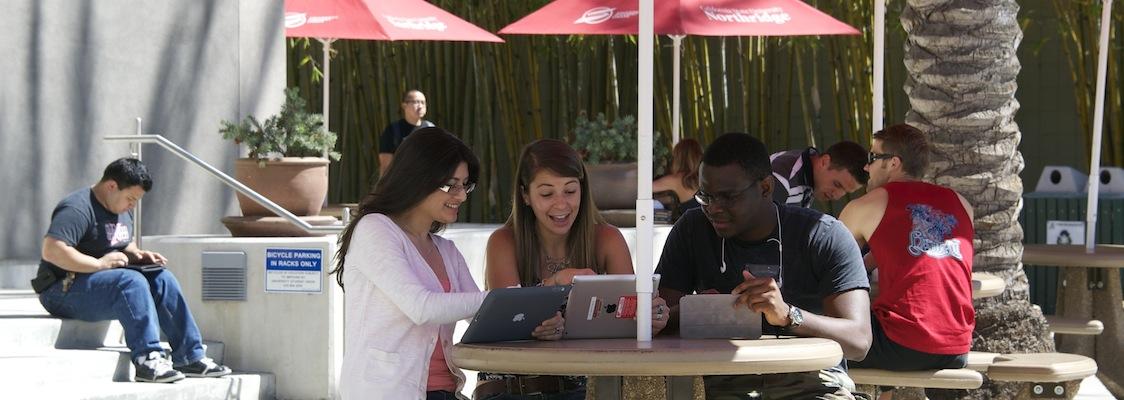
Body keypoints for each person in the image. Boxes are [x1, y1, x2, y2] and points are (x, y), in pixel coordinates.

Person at [333, 127, 564, 400]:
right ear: (417, 178)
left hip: (445, 392)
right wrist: (502, 298)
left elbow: (483, 318)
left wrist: (542, 324)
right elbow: (422, 307)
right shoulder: (375, 230)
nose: (462, 195)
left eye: (465, 185)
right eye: (450, 185)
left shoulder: (446, 250)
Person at [655, 133, 872, 399]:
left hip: (813, 382)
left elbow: (859, 341)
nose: (714, 208)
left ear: (766, 188)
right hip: (720, 380)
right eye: (706, 197)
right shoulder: (692, 229)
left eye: (728, 197)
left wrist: (789, 315)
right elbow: (659, 322)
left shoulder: (823, 235)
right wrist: (696, 309)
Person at [482, 139, 668, 400]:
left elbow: (629, 321)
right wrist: (553, 284)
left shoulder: (607, 239)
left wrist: (649, 317)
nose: (561, 205)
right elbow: (506, 319)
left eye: (570, 191)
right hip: (515, 389)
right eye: (547, 194)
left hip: (589, 390)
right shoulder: (504, 242)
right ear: (525, 195)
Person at [32, 158, 231, 384]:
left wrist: (137, 254)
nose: (132, 206)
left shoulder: (121, 208)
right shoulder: (77, 208)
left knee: (161, 277)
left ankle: (189, 356)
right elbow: (52, 250)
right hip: (60, 290)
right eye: (130, 199)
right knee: (130, 281)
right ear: (111, 186)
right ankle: (148, 359)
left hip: (96, 285)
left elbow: (121, 243)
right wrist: (99, 264)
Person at [839, 124, 975, 399]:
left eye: (872, 158)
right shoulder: (962, 203)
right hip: (958, 348)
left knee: (815, 343)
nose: (866, 168)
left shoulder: (866, 206)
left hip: (902, 345)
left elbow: (828, 271)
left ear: (893, 163)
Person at [771, 140, 869, 208]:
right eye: (837, 184)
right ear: (824, 162)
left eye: (845, 192)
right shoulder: (783, 174)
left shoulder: (810, 180)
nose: (837, 196)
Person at [378, 89, 436, 176]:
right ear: (404, 105)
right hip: (402, 183)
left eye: (423, 102)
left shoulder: (431, 129)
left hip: (426, 182)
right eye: (416, 102)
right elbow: (385, 165)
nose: (420, 106)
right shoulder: (393, 130)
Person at [653, 138, 704, 217]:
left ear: (679, 158)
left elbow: (643, 188)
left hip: (693, 227)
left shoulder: (679, 179)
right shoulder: (708, 177)